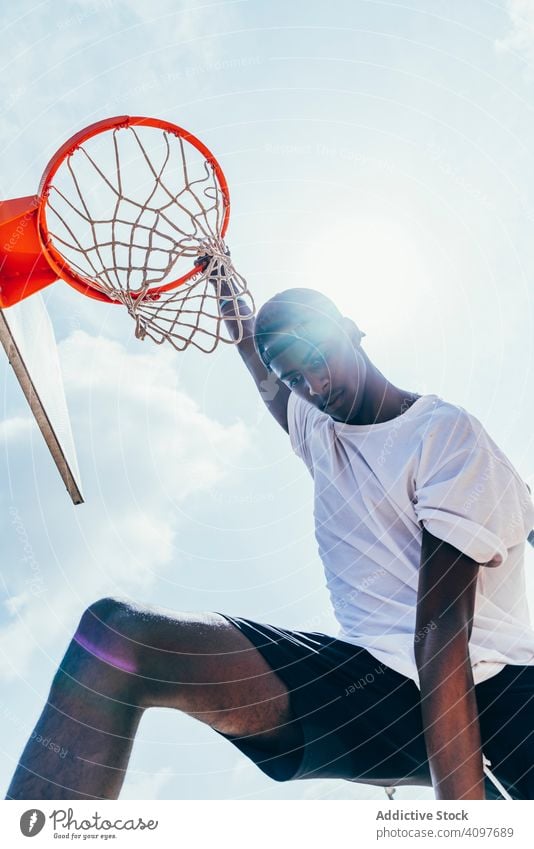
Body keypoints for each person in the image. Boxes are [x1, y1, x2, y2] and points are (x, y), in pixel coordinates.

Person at [6, 268, 534, 801]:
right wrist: (222, 279)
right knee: (116, 635)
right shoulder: (316, 427)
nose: (316, 387)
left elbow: (441, 633)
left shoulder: (441, 435)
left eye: (319, 359)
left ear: (350, 329)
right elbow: (252, 356)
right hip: (381, 687)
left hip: (499, 690)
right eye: (296, 379)